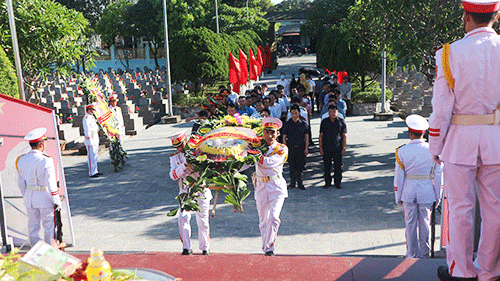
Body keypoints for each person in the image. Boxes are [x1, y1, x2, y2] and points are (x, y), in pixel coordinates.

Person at [429, 1, 500, 280]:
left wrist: (435, 147)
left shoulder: (448, 54)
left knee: (460, 209)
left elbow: (441, 108)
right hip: (496, 140)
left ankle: (462, 271)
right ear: (497, 15)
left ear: (466, 15)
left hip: (460, 141)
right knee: (495, 209)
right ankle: (490, 270)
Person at [394, 115, 443, 259]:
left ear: (410, 133)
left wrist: (399, 197)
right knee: (425, 224)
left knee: (410, 224)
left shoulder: (401, 151)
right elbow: (439, 175)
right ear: (423, 133)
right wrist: (437, 196)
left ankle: (411, 254)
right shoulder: (433, 150)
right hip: (427, 191)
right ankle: (424, 254)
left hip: (409, 191)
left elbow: (399, 177)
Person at [168, 130, 212, 256]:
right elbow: (173, 175)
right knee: (183, 218)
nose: (180, 149)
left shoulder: (198, 152)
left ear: (186, 141)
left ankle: (205, 247)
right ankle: (186, 247)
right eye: (177, 147)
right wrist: (183, 166)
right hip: (186, 191)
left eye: (181, 145)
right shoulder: (175, 158)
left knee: (202, 220)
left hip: (200, 188)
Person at [16, 127, 62, 245]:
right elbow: (51, 184)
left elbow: (21, 183)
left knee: (33, 227)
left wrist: (26, 196)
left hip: (30, 197)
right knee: (49, 227)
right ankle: (50, 251)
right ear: (41, 144)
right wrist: (56, 200)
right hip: (44, 197)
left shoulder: (21, 159)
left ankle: (35, 252)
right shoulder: (46, 160)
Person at [254, 117, 288, 256]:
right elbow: (244, 163)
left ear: (277, 133)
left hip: (276, 187)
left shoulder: (282, 148)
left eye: (273, 132)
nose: (270, 136)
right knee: (263, 221)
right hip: (261, 186)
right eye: (267, 132)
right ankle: (266, 247)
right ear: (263, 133)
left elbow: (268, 162)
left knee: (273, 218)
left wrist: (254, 154)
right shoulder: (257, 148)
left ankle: (269, 248)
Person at [319, 104, 346, 189]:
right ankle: (327, 182)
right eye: (330, 112)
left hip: (337, 147)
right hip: (326, 148)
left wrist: (344, 147)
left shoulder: (341, 122)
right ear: (328, 113)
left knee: (338, 166)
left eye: (334, 112)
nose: (332, 113)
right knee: (327, 166)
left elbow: (344, 136)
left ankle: (337, 183)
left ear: (337, 112)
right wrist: (320, 148)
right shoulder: (324, 122)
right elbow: (321, 136)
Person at [282, 105, 309, 190]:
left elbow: (307, 137)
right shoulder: (287, 124)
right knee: (292, 166)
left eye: (296, 113)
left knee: (300, 166)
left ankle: (300, 183)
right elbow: (284, 137)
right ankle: (292, 183)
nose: (294, 115)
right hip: (291, 148)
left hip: (301, 147)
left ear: (299, 113)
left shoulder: (304, 124)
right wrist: (285, 148)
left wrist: (306, 148)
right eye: (292, 113)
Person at [83, 104, 102, 178]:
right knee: (91, 157)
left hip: (95, 138)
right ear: (88, 110)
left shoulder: (92, 117)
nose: (93, 111)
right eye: (92, 110)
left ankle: (95, 170)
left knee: (95, 156)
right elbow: (87, 129)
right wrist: (89, 139)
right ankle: (92, 172)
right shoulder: (86, 118)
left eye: (94, 110)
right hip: (90, 140)